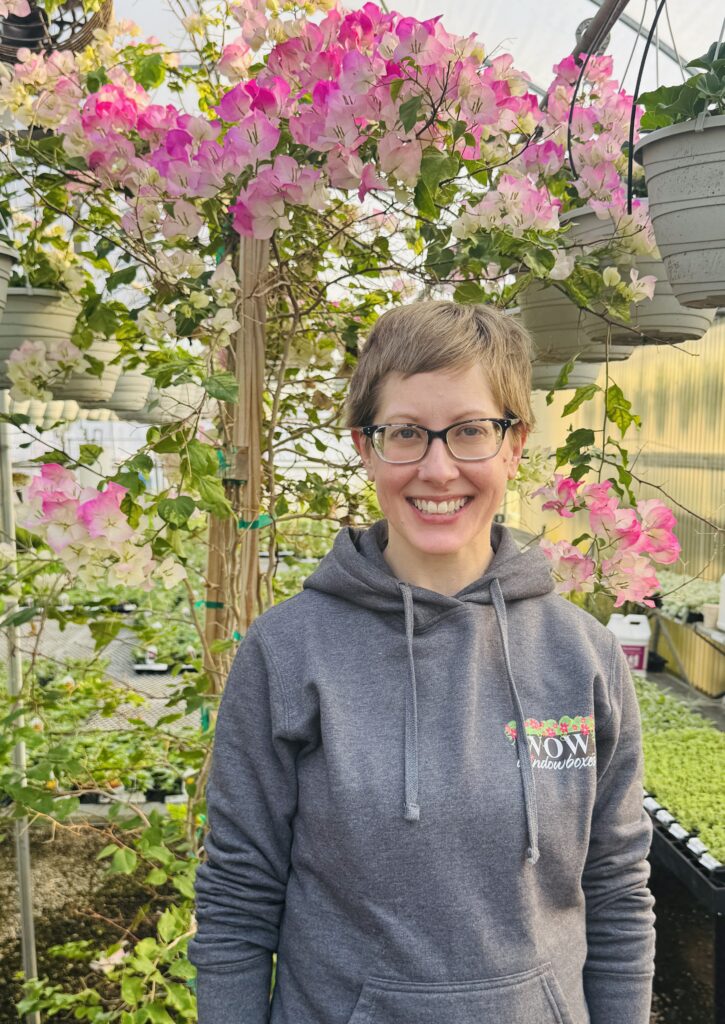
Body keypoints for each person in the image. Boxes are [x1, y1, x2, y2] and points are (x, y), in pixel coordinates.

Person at [188, 301, 656, 1024]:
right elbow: (236, 899)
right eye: (405, 433)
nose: (438, 470)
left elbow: (617, 888)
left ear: (514, 444)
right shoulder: (287, 652)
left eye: (470, 431)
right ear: (365, 447)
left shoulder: (583, 657)